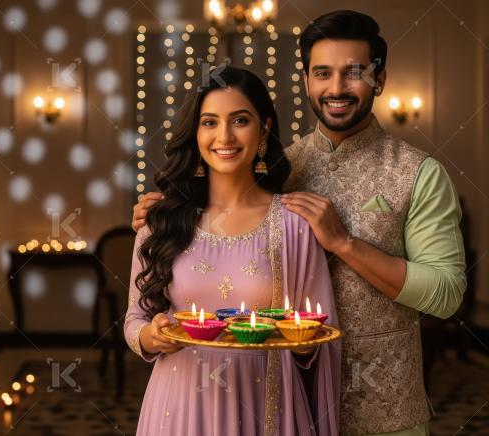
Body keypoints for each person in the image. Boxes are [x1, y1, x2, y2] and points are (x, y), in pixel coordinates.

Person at [131, 10, 466, 436]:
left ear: (379, 80)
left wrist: (345, 244)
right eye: (322, 73)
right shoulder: (281, 166)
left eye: (354, 73)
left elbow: (446, 294)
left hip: (385, 408)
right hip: (281, 402)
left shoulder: (419, 173)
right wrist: (162, 213)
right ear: (306, 80)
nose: (337, 88)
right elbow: (221, 206)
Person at [124, 64, 341, 436]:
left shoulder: (294, 224)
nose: (224, 135)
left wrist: (303, 343)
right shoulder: (160, 220)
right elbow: (134, 320)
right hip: (179, 409)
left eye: (240, 120)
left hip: (269, 406)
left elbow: (319, 337)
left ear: (265, 128)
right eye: (209, 122)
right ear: (195, 133)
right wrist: (152, 336)